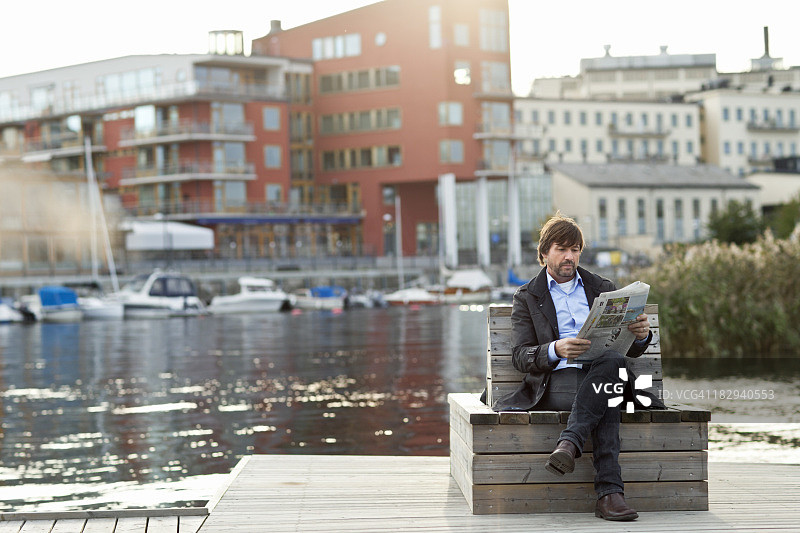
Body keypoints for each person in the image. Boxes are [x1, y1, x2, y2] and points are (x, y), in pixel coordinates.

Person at [492, 212, 660, 522]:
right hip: (558, 384)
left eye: (576, 249)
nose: (570, 256)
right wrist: (556, 349)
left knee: (609, 365)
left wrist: (642, 335)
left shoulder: (601, 287)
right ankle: (610, 495)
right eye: (562, 249)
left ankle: (569, 444)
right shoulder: (528, 297)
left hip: (601, 373)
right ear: (544, 253)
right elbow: (519, 356)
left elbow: (630, 349)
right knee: (607, 391)